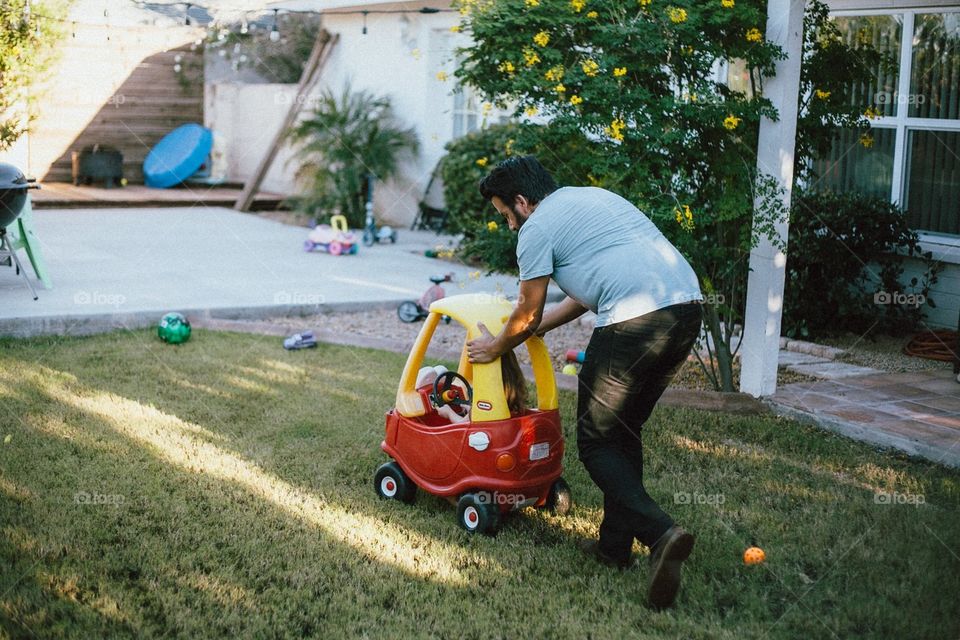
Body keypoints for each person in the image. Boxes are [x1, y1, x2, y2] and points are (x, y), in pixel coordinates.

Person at [466, 155, 703, 609]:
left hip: (635, 319)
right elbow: (578, 296)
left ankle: (661, 536)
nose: (509, 226)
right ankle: (613, 548)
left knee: (596, 443)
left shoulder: (536, 228)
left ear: (521, 202)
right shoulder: (588, 200)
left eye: (504, 215)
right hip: (685, 309)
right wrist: (532, 333)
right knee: (623, 432)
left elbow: (527, 310)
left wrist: (496, 346)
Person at [417, 350, 528, 423]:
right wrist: (468, 407)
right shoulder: (510, 396)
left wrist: (449, 413)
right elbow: (478, 414)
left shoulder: (487, 397)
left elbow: (462, 424)